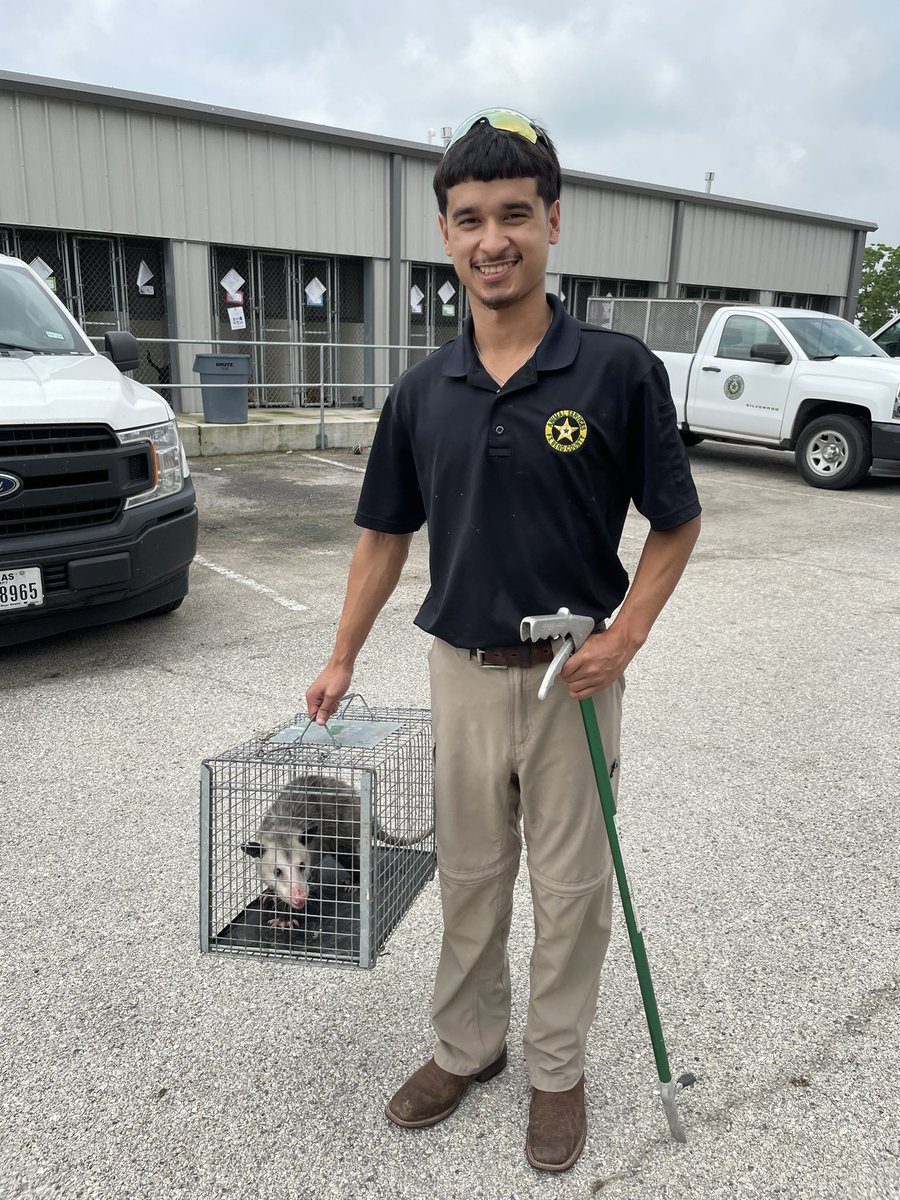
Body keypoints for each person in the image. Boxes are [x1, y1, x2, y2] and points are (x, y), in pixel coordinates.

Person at [306, 107, 701, 1173]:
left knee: (572, 892)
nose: (494, 239)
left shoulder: (616, 372)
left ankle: (557, 1071)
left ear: (553, 223)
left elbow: (678, 520)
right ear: (445, 233)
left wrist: (628, 634)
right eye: (471, 218)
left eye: (515, 215)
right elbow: (383, 538)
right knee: (473, 878)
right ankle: (465, 1048)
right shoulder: (421, 392)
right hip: (463, 673)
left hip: (575, 674)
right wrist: (341, 655)